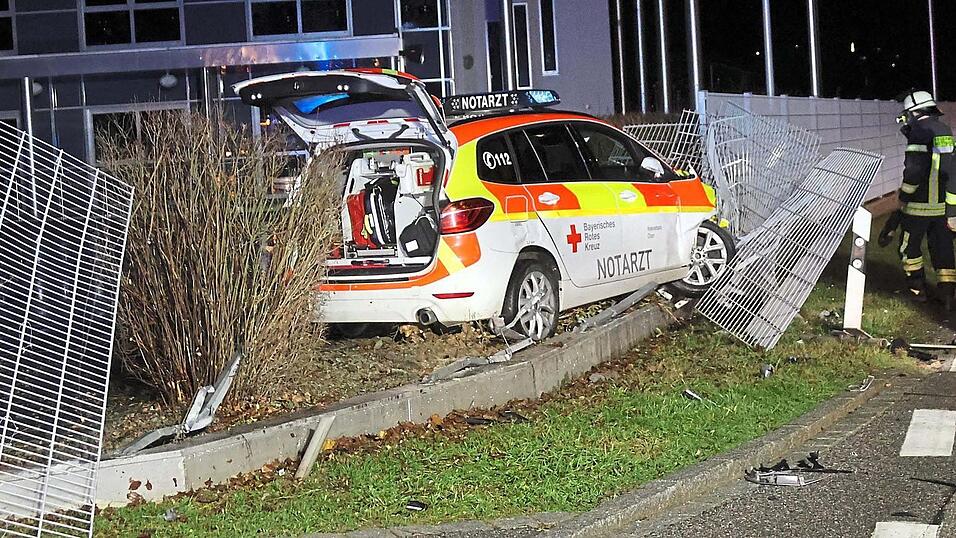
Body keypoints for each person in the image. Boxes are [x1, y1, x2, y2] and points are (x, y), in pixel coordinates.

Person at [897, 90, 956, 309]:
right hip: (941, 207)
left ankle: (917, 290)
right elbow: (951, 170)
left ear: (914, 112)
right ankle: (948, 296)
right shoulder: (945, 130)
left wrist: (904, 195)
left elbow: (913, 170)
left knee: (909, 248)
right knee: (943, 249)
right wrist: (952, 211)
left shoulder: (919, 132)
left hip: (918, 207)